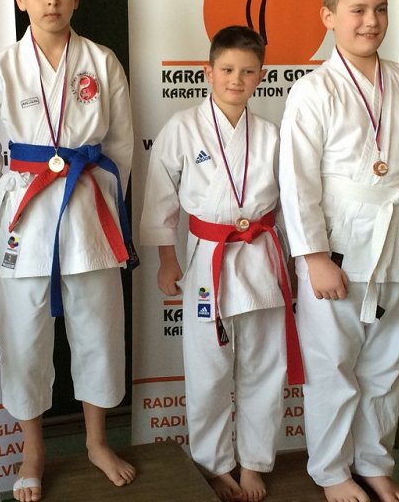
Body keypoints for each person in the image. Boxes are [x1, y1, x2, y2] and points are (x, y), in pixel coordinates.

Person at [0, 0, 135, 502]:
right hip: (25, 214)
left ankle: (96, 441)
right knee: (24, 336)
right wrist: (5, 206)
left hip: (87, 209)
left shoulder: (101, 62)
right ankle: (32, 450)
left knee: (98, 330)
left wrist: (98, 195)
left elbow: (121, 145)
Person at [279, 0, 399, 502]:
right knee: (333, 364)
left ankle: (374, 462)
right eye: (357, 10)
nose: (371, 21)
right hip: (339, 246)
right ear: (329, 16)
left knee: (385, 365)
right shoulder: (313, 91)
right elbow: (297, 181)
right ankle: (332, 471)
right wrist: (313, 258)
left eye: (380, 9)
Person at [140, 26, 303, 502]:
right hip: (207, 259)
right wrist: (166, 259)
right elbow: (161, 199)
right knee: (208, 369)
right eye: (227, 70)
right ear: (208, 72)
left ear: (261, 76)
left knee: (263, 368)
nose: (236, 79)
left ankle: (254, 462)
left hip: (263, 260)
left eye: (248, 72)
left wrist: (295, 264)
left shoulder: (271, 135)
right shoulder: (182, 128)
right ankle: (213, 464)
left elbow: (291, 207)